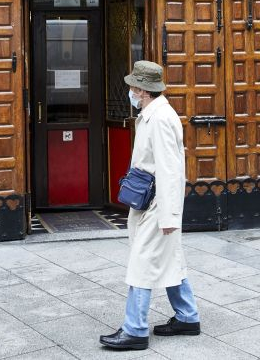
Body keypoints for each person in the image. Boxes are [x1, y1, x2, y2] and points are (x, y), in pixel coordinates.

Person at [99, 60, 200, 351]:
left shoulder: (160, 119)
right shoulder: (152, 114)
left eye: (133, 86)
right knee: (169, 259)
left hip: (158, 205)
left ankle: (135, 330)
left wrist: (169, 216)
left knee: (141, 263)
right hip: (152, 201)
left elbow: (170, 170)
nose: (130, 91)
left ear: (143, 90)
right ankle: (187, 316)